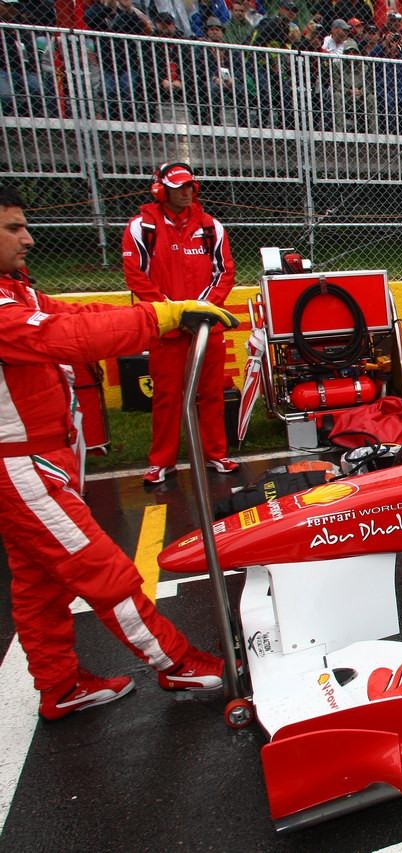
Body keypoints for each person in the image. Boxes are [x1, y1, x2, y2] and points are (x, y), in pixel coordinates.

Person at [0, 186, 231, 721]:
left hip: (40, 461)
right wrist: (162, 317)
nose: (29, 239)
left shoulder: (17, 293)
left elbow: (83, 315)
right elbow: (68, 336)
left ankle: (60, 687)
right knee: (104, 571)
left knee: (39, 588)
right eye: (13, 228)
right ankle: (177, 661)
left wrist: (164, 311)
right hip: (21, 468)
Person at [123, 162, 238, 485]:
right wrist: (173, 312)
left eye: (189, 185)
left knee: (212, 393)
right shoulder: (141, 227)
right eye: (178, 187)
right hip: (166, 328)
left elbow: (225, 273)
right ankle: (162, 461)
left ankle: (216, 454)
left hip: (205, 327)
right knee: (166, 396)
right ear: (161, 189)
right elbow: (137, 277)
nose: (186, 192)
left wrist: (201, 311)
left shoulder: (211, 227)